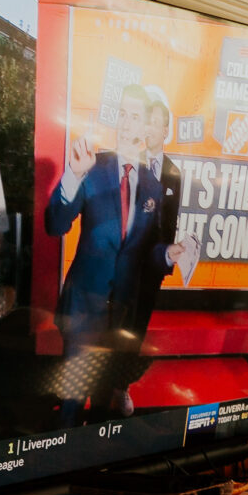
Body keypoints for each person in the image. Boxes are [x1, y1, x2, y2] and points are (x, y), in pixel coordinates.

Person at [43, 83, 189, 421]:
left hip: (121, 313)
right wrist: (72, 176)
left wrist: (168, 253)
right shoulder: (92, 166)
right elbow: (55, 225)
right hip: (84, 307)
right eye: (122, 114)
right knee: (71, 402)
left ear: (144, 127)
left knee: (104, 401)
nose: (125, 123)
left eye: (134, 116)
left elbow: (144, 252)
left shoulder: (153, 185)